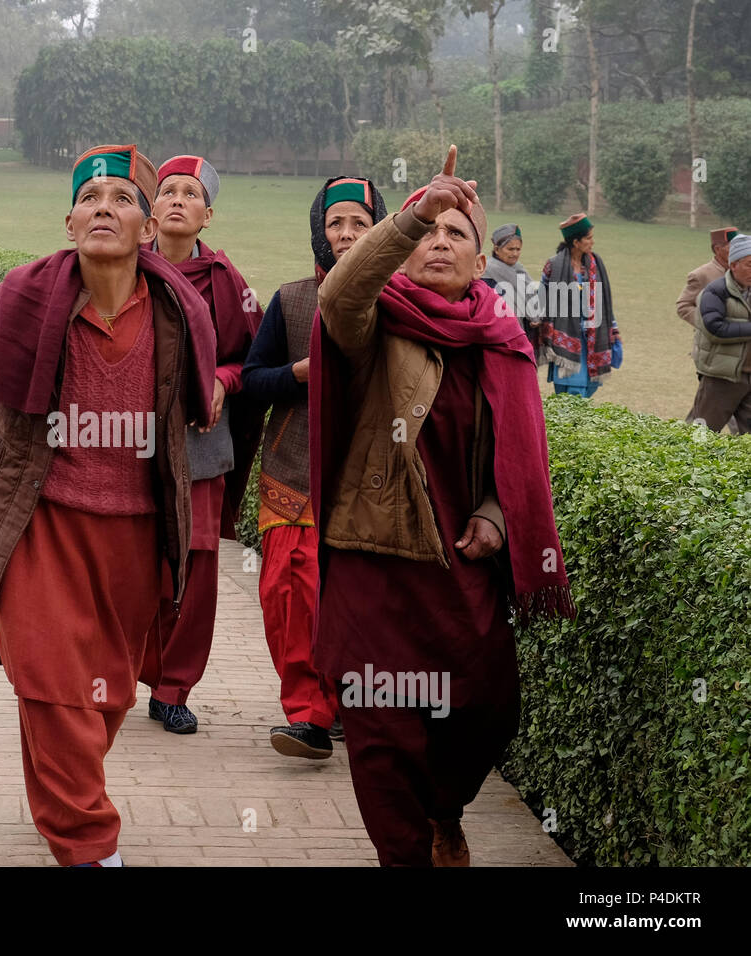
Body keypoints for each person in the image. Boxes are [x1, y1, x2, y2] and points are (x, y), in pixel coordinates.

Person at [0, 144, 217, 867]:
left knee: (107, 695)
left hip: (134, 529)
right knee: (54, 685)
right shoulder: (23, 295)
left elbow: (193, 412)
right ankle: (88, 843)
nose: (104, 209)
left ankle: (60, 797)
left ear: (148, 229)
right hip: (40, 521)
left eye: (123, 199)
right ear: (68, 220)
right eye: (90, 200)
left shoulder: (180, 313)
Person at [310, 146, 575, 867]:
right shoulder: (375, 323)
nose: (439, 242)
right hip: (377, 562)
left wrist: (494, 512)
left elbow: (519, 461)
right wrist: (413, 211)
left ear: (480, 257)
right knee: (381, 731)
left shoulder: (504, 337)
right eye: (428, 231)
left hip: (463, 567)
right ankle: (405, 853)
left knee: (487, 709)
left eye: (456, 232)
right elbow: (339, 294)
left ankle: (444, 810)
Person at [242, 175, 387, 759]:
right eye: (336, 224)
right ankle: (307, 714)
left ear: (380, 229)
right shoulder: (292, 298)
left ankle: (350, 705)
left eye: (359, 223)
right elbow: (253, 380)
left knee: (358, 597)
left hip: (370, 478)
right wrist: (296, 375)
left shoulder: (402, 301)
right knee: (290, 594)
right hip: (293, 469)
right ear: (318, 232)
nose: (347, 235)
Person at [142, 155, 261, 734]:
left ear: (206, 215)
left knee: (198, 566)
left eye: (191, 193)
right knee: (136, 563)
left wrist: (222, 379)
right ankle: (123, 672)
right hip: (130, 443)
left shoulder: (224, 281)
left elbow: (251, 358)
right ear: (153, 206)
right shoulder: (125, 267)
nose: (178, 200)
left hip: (201, 446)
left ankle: (173, 686)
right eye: (168, 191)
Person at [541, 213, 620, 397]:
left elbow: (605, 301)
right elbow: (541, 299)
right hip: (565, 339)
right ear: (576, 242)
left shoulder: (595, 264)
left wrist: (613, 330)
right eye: (588, 238)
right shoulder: (554, 266)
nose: (592, 242)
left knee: (587, 389)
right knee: (568, 394)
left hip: (591, 339)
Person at [689, 234, 751, 433]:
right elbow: (715, 329)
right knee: (700, 435)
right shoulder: (715, 292)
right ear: (733, 265)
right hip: (721, 377)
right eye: (750, 264)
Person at [483, 223, 542, 354]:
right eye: (510, 249)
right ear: (497, 249)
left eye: (518, 249)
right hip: (495, 336)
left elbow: (531, 295)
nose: (515, 253)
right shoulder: (486, 271)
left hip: (519, 331)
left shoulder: (519, 270)